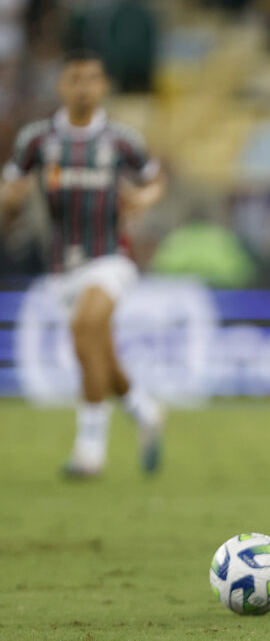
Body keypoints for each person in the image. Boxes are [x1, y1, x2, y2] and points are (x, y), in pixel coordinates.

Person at [0, 49, 167, 477]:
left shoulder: (122, 139)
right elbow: (9, 194)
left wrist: (143, 198)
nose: (83, 87)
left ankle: (89, 450)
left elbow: (154, 180)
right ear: (61, 85)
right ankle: (144, 410)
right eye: (75, 78)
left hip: (111, 257)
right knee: (99, 356)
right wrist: (11, 203)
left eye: (92, 78)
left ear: (104, 86)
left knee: (85, 328)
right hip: (62, 267)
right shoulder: (35, 139)